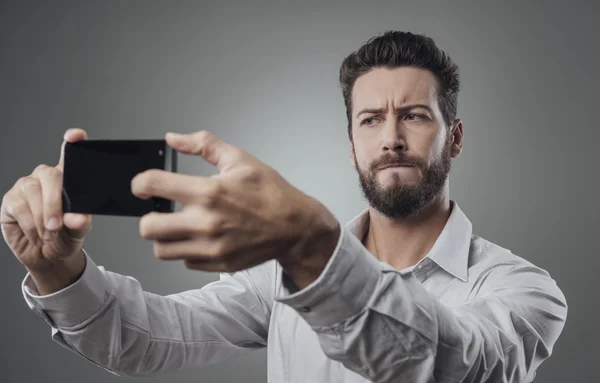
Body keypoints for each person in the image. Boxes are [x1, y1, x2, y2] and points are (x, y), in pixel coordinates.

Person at [2, 31, 567, 383]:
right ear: (351, 144)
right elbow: (148, 341)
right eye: (371, 120)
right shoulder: (280, 276)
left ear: (456, 137)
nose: (391, 138)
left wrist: (317, 250)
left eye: (415, 116)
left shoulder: (522, 290)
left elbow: (462, 368)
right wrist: (58, 272)